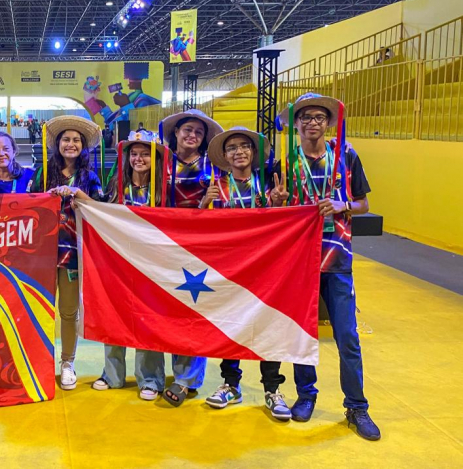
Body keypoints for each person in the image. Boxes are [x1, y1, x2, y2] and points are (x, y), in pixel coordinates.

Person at [271, 92, 380, 440]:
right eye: (306, 117)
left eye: (319, 117)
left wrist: (342, 202)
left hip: (338, 258)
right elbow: (278, 208)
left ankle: (357, 407)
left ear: (329, 122)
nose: (313, 122)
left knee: (347, 336)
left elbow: (362, 203)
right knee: (302, 333)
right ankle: (306, 395)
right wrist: (278, 202)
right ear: (297, 124)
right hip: (300, 260)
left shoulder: (346, 155)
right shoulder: (286, 161)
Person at [199, 127, 291, 421]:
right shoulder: (217, 188)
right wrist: (203, 205)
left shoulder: (267, 187)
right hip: (230, 270)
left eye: (244, 147)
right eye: (232, 148)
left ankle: (272, 389)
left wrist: (278, 203)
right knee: (233, 326)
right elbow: (201, 231)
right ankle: (230, 384)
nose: (239, 152)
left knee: (268, 327)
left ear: (253, 152)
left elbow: (282, 226)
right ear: (224, 157)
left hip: (265, 269)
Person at [30, 115, 105, 390]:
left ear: (83, 146)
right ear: (57, 144)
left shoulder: (90, 177)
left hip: (73, 253)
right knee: (37, 308)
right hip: (42, 252)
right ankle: (37, 360)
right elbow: (28, 205)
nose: (70, 144)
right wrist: (47, 197)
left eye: (76, 140)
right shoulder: (42, 173)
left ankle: (67, 363)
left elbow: (100, 210)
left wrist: (78, 195)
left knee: (68, 312)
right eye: (65, 139)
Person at [92, 130, 167, 401]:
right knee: (114, 316)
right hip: (118, 263)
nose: (139, 158)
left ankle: (150, 378)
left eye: (145, 153)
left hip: (151, 265)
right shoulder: (115, 187)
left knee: (148, 320)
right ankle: (112, 374)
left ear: (155, 157)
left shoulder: (164, 189)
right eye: (134, 153)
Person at [157, 108, 224, 407]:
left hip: (200, 247)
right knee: (168, 312)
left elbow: (225, 206)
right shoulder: (161, 164)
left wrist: (207, 204)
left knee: (195, 312)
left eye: (198, 131)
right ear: (175, 133)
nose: (191, 135)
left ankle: (186, 379)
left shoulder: (214, 167)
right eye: (186, 130)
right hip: (164, 247)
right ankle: (172, 374)